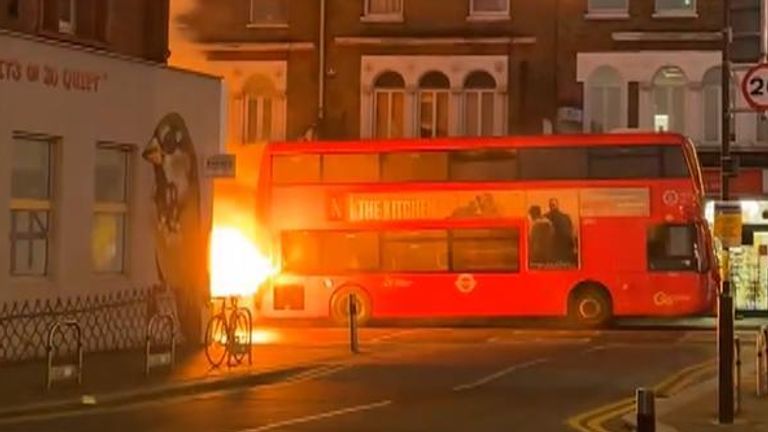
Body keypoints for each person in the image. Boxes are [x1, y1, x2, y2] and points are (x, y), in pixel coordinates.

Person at [545, 198, 576, 265]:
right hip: (564, 250)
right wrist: (573, 246)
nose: (552, 206)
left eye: (553, 205)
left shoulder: (546, 217)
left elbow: (571, 232)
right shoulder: (566, 217)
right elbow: (571, 233)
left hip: (554, 250)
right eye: (552, 205)